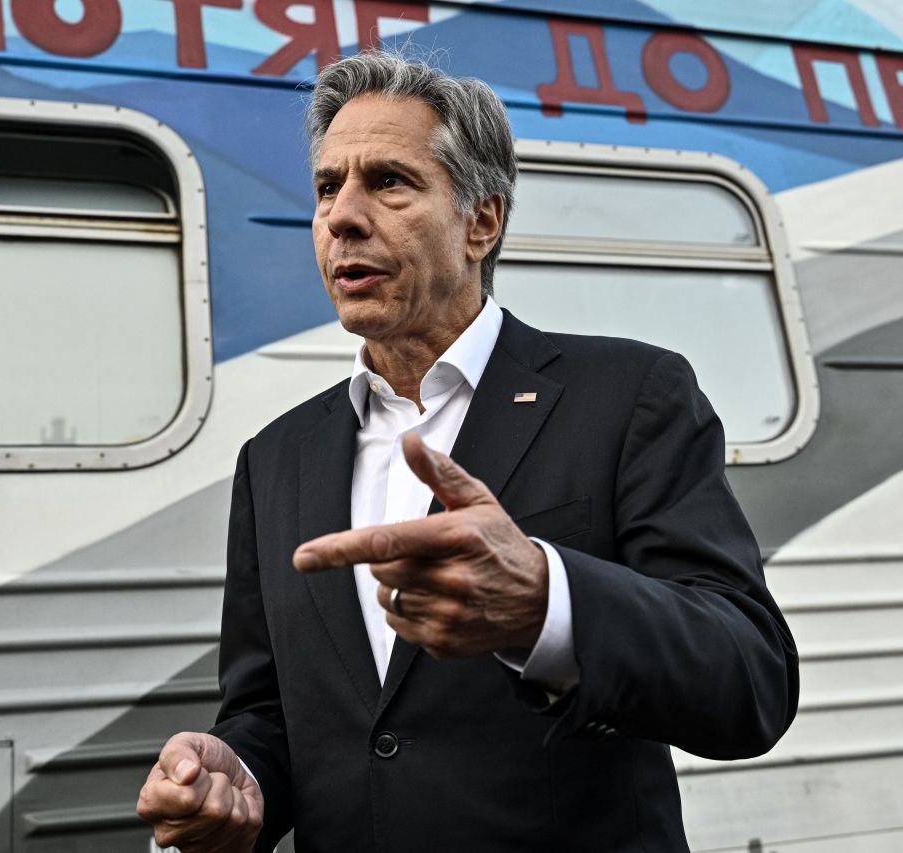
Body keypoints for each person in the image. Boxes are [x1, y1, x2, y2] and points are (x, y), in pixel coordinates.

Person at [137, 50, 799, 853]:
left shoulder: (628, 394)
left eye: (387, 181)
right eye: (325, 187)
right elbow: (272, 710)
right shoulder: (276, 457)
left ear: (480, 221)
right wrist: (237, 775)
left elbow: (751, 679)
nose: (341, 215)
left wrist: (547, 603)